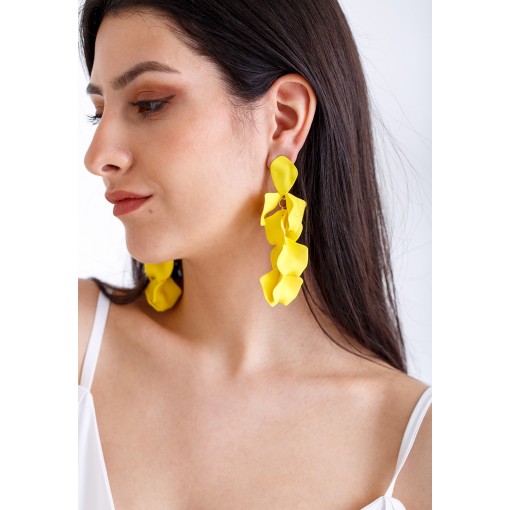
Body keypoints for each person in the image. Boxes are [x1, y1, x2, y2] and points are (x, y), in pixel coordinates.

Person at [78, 0, 432, 509]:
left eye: (150, 103)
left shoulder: (419, 454)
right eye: (98, 112)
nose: (97, 157)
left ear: (284, 119)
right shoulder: (65, 342)